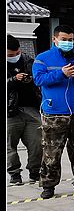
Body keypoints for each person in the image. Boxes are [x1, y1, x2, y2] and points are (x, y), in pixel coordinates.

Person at [32, 25, 74, 199]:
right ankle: (48, 184)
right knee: (52, 151)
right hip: (54, 112)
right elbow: (38, 79)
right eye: (64, 39)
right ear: (54, 39)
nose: (67, 42)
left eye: (70, 40)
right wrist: (61, 73)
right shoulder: (43, 58)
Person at [7, 35, 42, 186]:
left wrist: (32, 79)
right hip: (10, 111)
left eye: (17, 53)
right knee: (10, 146)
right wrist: (14, 79)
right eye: (10, 55)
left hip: (31, 109)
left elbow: (40, 80)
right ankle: (14, 174)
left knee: (37, 143)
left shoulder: (30, 61)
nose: (14, 56)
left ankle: (35, 171)